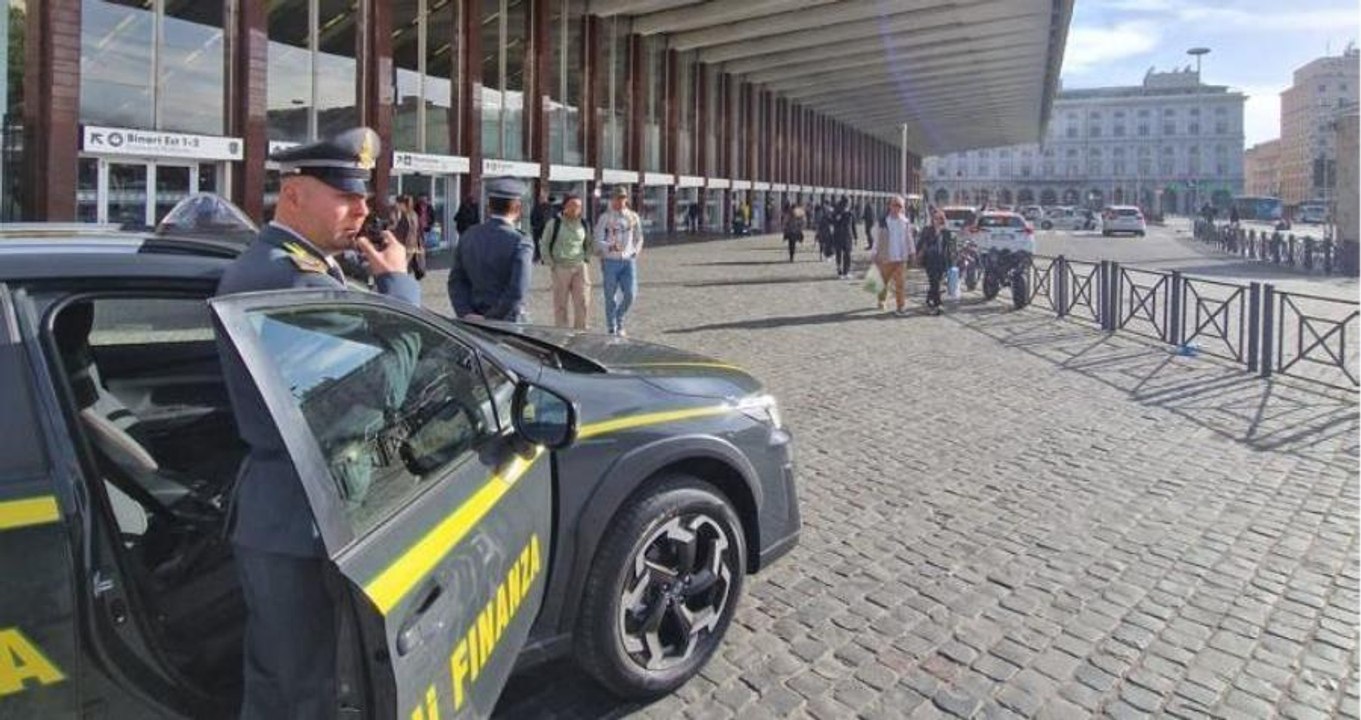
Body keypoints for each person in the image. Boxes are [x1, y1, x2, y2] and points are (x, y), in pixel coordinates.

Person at [215, 127, 419, 720]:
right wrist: (399, 288)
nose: (363, 210)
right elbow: (383, 388)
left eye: (363, 197)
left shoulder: (294, 265)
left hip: (287, 513)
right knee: (312, 691)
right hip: (300, 518)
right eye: (345, 196)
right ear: (294, 194)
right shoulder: (292, 279)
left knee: (280, 683)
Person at [448, 178, 535, 322]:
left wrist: (465, 312)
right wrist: (491, 318)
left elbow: (456, 281)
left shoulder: (469, 235)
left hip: (472, 320)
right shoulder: (520, 241)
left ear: (489, 207)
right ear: (518, 208)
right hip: (508, 322)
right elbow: (518, 289)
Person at [595, 186, 645, 336]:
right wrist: (608, 247)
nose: (619, 201)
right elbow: (597, 239)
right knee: (610, 295)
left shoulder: (633, 217)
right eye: (617, 198)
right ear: (612, 200)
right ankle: (612, 327)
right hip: (610, 261)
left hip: (628, 261)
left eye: (622, 198)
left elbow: (639, 237)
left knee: (630, 294)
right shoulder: (605, 217)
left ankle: (619, 316)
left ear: (626, 199)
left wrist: (636, 251)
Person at [546, 194, 593, 329]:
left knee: (583, 302)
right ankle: (562, 333)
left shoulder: (583, 223)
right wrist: (551, 263)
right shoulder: (554, 223)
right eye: (572, 205)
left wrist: (586, 259)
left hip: (580, 267)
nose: (575, 209)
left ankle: (580, 331)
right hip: (561, 267)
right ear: (565, 206)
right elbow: (544, 244)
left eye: (578, 206)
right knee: (560, 304)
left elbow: (589, 243)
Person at [870, 195, 915, 315]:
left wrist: (912, 252)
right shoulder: (883, 221)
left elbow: (909, 238)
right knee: (883, 281)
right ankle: (881, 299)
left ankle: (901, 307)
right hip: (886, 256)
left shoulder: (905, 222)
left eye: (899, 205)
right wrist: (874, 253)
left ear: (902, 207)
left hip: (901, 257)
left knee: (900, 283)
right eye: (894, 205)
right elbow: (877, 239)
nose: (896, 208)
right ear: (890, 206)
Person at [918, 208, 950, 314]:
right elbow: (921, 243)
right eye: (935, 218)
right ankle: (938, 304)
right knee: (934, 281)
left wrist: (950, 261)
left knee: (937, 282)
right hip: (930, 260)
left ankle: (929, 299)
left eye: (940, 218)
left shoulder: (946, 232)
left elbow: (948, 247)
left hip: (941, 260)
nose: (937, 221)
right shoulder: (927, 230)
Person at [830, 197, 858, 279]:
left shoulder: (850, 212)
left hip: (847, 236)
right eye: (849, 202)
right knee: (840, 253)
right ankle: (840, 271)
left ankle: (846, 272)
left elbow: (853, 225)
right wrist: (839, 216)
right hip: (840, 235)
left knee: (847, 254)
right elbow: (833, 222)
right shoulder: (837, 212)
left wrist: (855, 237)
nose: (850, 204)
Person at [529, 189, 553, 264]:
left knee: (545, 244)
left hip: (545, 228)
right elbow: (532, 216)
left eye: (542, 198)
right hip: (537, 228)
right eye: (540, 198)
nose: (540, 199)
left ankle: (544, 258)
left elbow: (548, 218)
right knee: (536, 243)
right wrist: (534, 224)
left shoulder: (549, 207)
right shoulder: (536, 207)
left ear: (546, 198)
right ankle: (537, 256)